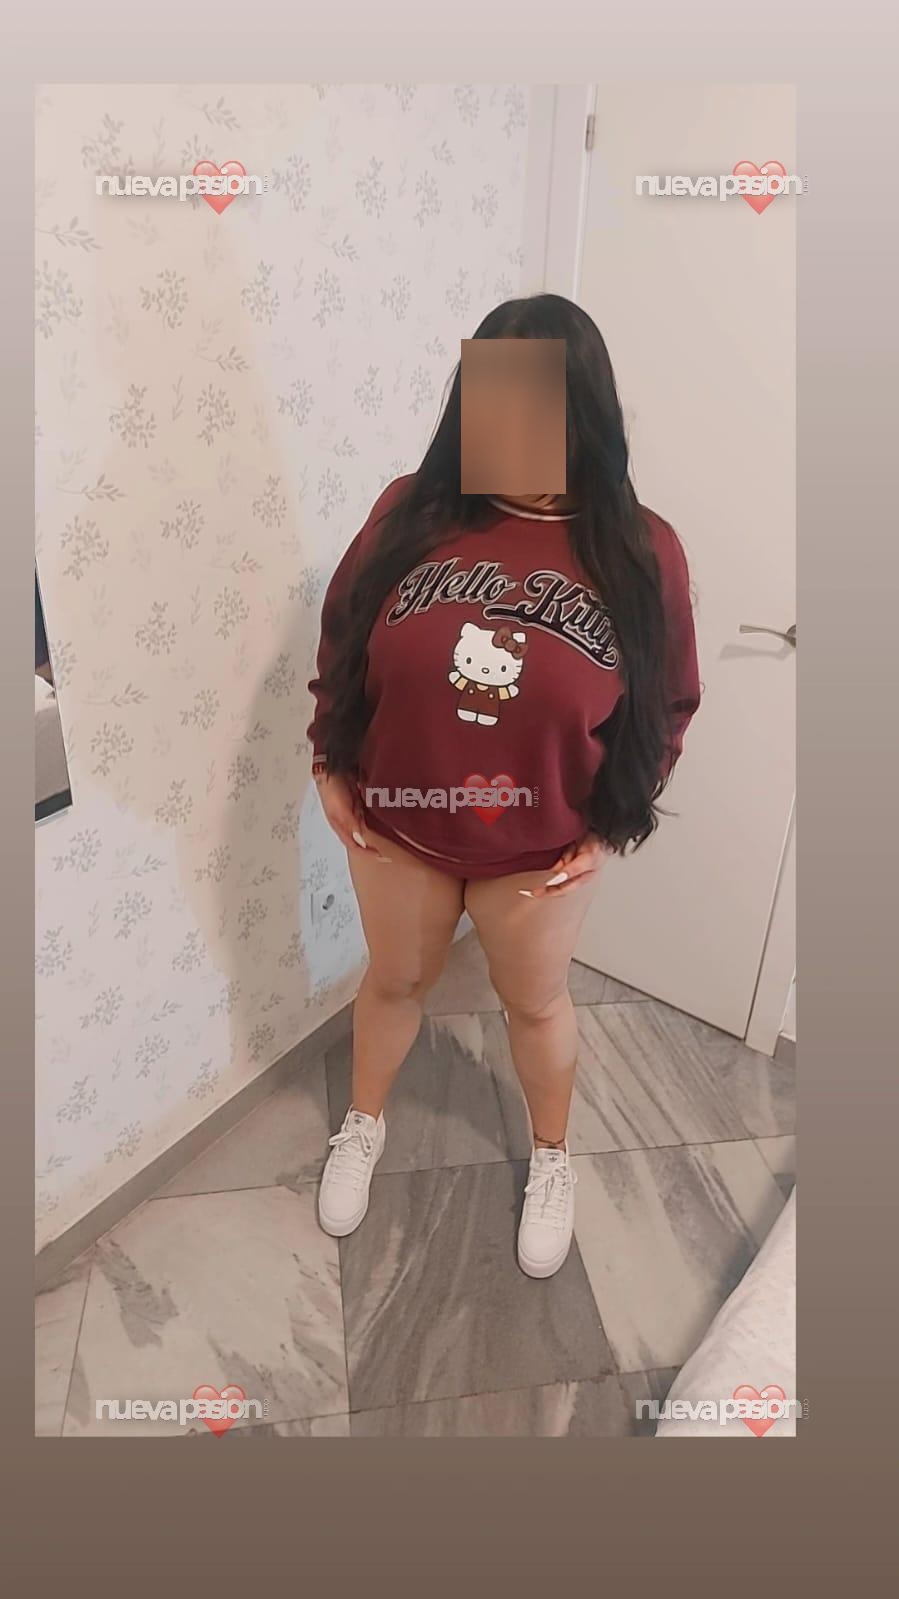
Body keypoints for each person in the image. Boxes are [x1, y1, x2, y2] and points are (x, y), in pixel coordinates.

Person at [307, 292, 702, 1279]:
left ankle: (551, 1155)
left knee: (534, 1005)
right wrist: (325, 756)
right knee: (394, 981)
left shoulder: (640, 549)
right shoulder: (410, 510)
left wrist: (610, 825)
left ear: (585, 413)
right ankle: (362, 1123)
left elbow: (666, 700)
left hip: (539, 843)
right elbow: (343, 634)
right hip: (399, 822)